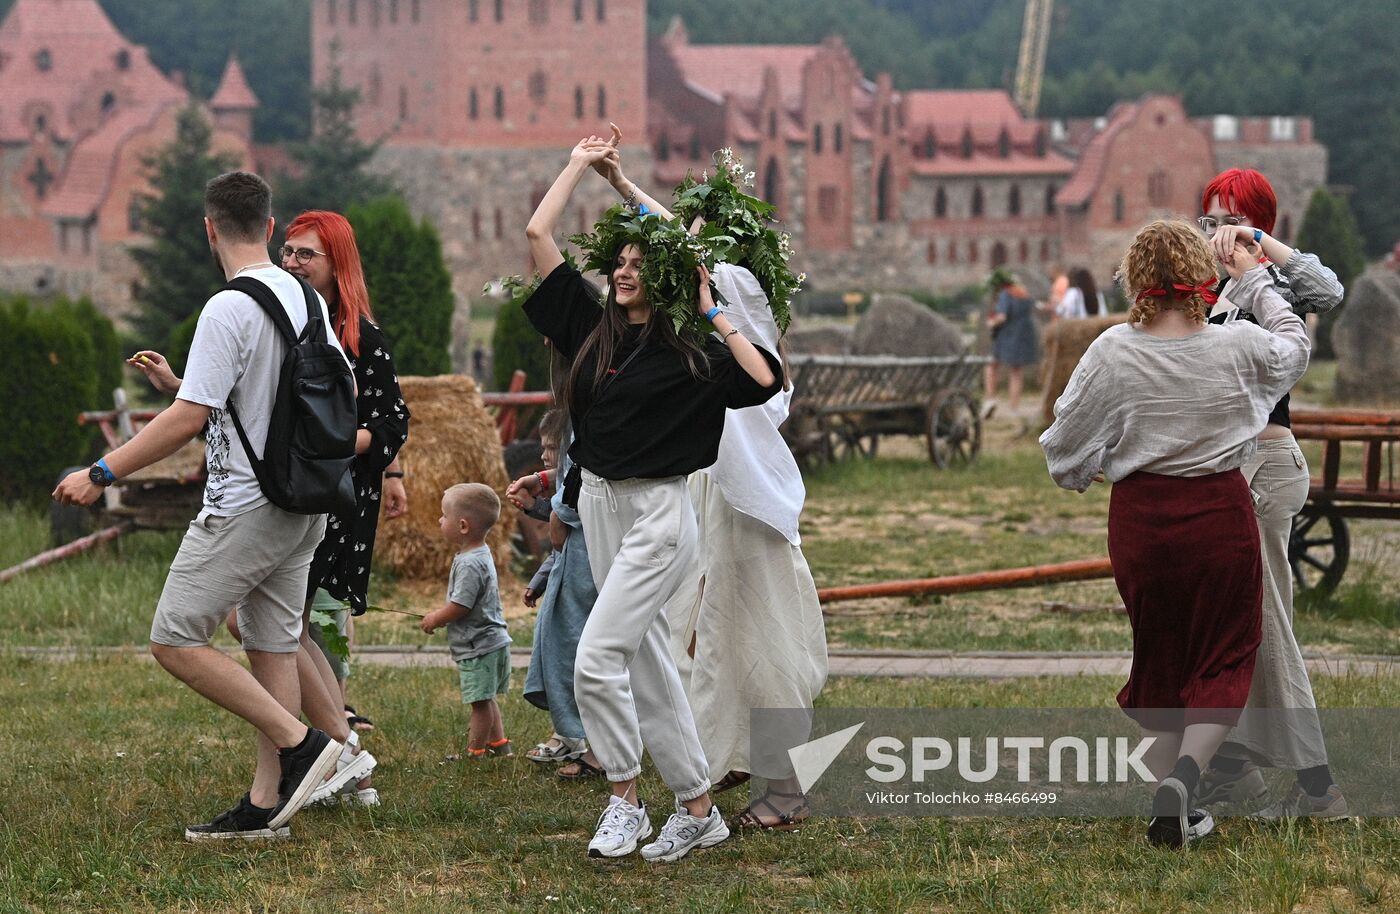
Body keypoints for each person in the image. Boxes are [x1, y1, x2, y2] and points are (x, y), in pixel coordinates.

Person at [55, 171, 345, 840]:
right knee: (272, 645)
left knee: (176, 638)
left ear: (209, 228)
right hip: (305, 500)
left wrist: (100, 471)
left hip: (246, 504)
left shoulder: (228, 306)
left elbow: (188, 420)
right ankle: (266, 804)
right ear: (271, 228)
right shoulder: (306, 298)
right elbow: (266, 398)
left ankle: (301, 749)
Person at [518, 136, 781, 862]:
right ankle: (697, 807)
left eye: (640, 264)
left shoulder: (688, 349)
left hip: (661, 514)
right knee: (645, 664)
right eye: (620, 263)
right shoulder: (589, 327)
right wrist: (579, 165)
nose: (627, 271)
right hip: (600, 502)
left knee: (597, 658)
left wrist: (712, 308)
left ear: (661, 277)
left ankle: (623, 799)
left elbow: (763, 381)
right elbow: (539, 234)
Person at [1040, 219, 1310, 848]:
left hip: (1142, 522)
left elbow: (1063, 446)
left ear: (1136, 280)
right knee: (1225, 651)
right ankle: (1184, 779)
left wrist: (1099, 467)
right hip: (1219, 514)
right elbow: (1294, 347)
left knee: (1159, 654)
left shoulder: (1112, 350)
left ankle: (1177, 801)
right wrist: (1258, 282)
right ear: (1203, 277)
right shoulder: (1237, 344)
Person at [1193, 168, 1348, 818]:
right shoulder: (1214, 292)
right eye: (1209, 219)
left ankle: (1318, 788)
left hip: (1268, 461)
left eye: (1228, 218)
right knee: (1231, 625)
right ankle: (1237, 774)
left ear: (1255, 223)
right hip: (1228, 463)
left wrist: (1259, 247)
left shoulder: (1270, 284)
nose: (1217, 234)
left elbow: (1330, 290)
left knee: (1267, 625)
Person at [664, 262, 829, 831]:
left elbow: (692, 256)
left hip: (749, 514)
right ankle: (730, 753)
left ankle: (785, 787)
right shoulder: (724, 359)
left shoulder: (750, 370)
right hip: (712, 503)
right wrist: (620, 184)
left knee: (766, 641)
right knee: (704, 635)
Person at [283, 211, 410, 746]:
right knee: (284, 622)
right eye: (286, 252)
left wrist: (327, 442)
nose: (292, 263)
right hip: (289, 489)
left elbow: (390, 423)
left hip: (336, 495)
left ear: (338, 264)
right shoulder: (285, 320)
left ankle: (330, 745)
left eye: (306, 254)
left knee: (277, 622)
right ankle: (331, 743)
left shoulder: (361, 337)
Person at [513, 410, 605, 780]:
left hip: (588, 588)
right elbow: (559, 551)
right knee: (563, 655)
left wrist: (550, 510)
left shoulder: (586, 503)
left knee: (590, 661)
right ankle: (570, 732)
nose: (545, 455)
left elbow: (570, 512)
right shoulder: (569, 491)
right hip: (569, 588)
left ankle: (601, 748)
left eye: (552, 449)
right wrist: (538, 581)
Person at [420, 483, 514, 759]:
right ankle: (499, 745)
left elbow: (461, 605)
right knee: (486, 697)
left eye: (443, 516)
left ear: (462, 525)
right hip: (491, 641)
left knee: (479, 703)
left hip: (479, 645)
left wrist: (435, 618)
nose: (439, 520)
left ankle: (475, 753)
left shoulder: (470, 563)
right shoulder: (479, 554)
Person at [984, 269, 1040, 413]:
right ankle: (1014, 406)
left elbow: (1002, 316)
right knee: (1016, 371)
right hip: (1024, 335)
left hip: (1007, 335)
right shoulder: (1024, 294)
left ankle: (990, 398)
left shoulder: (1006, 294)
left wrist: (991, 323)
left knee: (991, 366)